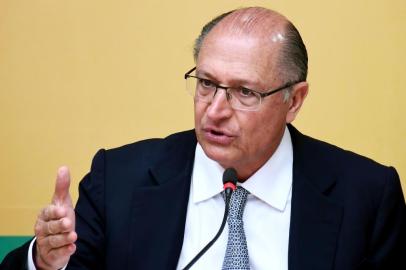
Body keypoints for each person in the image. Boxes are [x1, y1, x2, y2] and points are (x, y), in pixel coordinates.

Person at [1, 6, 405, 270]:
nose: (214, 110)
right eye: (207, 83)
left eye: (245, 92)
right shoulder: (119, 180)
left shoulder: (366, 195)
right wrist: (43, 260)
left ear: (294, 100)